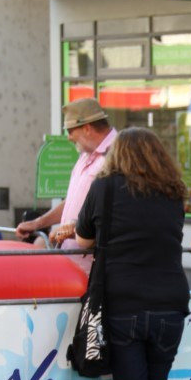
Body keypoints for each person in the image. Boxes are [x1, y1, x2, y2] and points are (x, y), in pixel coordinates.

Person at [75, 127, 190, 380]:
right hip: (171, 305)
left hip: (124, 304)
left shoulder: (105, 188)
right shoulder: (174, 192)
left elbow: (83, 237)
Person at [17, 98, 117, 259]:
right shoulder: (86, 155)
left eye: (70, 131)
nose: (69, 137)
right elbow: (72, 201)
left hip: (97, 266)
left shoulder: (118, 153)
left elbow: (116, 215)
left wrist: (76, 229)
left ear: (87, 128)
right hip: (74, 262)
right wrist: (39, 223)